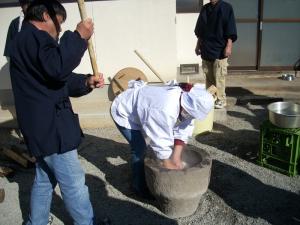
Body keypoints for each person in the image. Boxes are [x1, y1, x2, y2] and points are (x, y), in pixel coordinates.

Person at [8, 0, 105, 224]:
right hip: (51, 129)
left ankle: (36, 222)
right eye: (58, 23)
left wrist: (86, 82)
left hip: (41, 127)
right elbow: (57, 68)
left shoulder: (26, 40)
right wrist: (79, 36)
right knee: (73, 183)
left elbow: (57, 79)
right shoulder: (33, 38)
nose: (59, 30)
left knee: (44, 179)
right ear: (45, 16)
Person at [110, 80, 214, 199]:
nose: (191, 116)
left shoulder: (187, 103)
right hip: (124, 111)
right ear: (186, 106)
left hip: (144, 109)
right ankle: (139, 188)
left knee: (155, 147)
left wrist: (176, 157)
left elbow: (184, 128)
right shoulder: (164, 108)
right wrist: (168, 164)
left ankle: (144, 174)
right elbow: (159, 138)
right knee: (140, 149)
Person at [194, 0, 237, 109]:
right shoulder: (205, 9)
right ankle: (211, 97)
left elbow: (230, 29)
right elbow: (200, 31)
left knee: (219, 76)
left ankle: (221, 99)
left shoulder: (227, 8)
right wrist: (198, 45)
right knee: (209, 76)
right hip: (206, 47)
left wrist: (229, 46)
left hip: (220, 48)